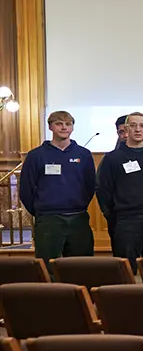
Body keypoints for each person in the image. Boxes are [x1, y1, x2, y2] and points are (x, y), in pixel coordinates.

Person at [19, 110, 96, 259]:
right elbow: (26, 189)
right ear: (50, 127)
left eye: (68, 124)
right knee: (48, 265)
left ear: (72, 127)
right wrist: (41, 209)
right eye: (59, 124)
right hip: (48, 218)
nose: (64, 127)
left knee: (80, 264)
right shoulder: (36, 155)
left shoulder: (83, 154)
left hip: (78, 217)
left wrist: (78, 204)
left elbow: (90, 185)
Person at [97, 112, 143, 266]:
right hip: (126, 220)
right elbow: (103, 190)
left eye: (142, 126)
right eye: (133, 125)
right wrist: (112, 216)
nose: (138, 129)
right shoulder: (112, 158)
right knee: (126, 269)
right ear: (127, 129)